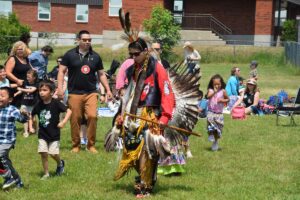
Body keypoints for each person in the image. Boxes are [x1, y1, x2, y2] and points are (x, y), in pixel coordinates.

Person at [112, 37, 175, 197]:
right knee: (131, 147)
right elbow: (129, 94)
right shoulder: (134, 69)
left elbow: (167, 92)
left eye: (136, 54)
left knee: (147, 151)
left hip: (150, 114)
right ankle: (143, 176)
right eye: (131, 54)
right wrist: (121, 113)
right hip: (133, 114)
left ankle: (146, 184)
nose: (133, 57)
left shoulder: (157, 68)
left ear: (146, 52)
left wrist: (165, 117)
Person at [57, 30, 113, 153]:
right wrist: (60, 88)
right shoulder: (69, 55)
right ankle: (76, 145)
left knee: (92, 116)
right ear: (78, 40)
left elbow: (101, 74)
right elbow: (61, 71)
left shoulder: (96, 56)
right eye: (84, 40)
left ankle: (90, 145)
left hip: (91, 92)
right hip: (74, 92)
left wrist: (108, 90)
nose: (87, 42)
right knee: (75, 119)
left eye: (89, 40)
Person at [30, 80, 72, 180]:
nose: (41, 92)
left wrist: (63, 122)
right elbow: (32, 115)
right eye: (40, 90)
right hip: (42, 134)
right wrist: (31, 127)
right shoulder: (38, 104)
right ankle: (46, 173)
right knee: (43, 153)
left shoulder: (56, 103)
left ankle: (60, 163)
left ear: (52, 92)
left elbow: (69, 111)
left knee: (53, 153)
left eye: (45, 90)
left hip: (54, 134)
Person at [0, 87, 28, 189]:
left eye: (2, 96)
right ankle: (18, 181)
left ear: (10, 99)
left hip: (7, 141)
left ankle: (9, 177)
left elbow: (23, 120)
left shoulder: (12, 110)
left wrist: (24, 114)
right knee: (5, 162)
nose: (0, 97)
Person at [5, 41, 32, 108]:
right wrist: (17, 80)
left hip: (25, 86)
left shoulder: (26, 59)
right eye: (18, 49)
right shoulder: (13, 58)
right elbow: (7, 72)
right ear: (15, 50)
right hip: (15, 86)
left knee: (25, 108)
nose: (20, 51)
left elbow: (31, 69)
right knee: (14, 107)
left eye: (22, 49)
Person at [206, 74, 229, 151]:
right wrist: (214, 92)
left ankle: (215, 142)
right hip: (211, 112)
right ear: (212, 84)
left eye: (218, 84)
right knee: (210, 123)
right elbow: (208, 96)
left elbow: (228, 99)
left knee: (218, 129)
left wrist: (223, 100)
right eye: (215, 84)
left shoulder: (223, 91)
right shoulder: (211, 90)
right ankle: (211, 135)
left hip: (219, 113)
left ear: (221, 83)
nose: (217, 86)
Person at [15, 69, 38, 137]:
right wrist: (16, 93)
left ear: (34, 77)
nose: (27, 78)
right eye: (27, 77)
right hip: (24, 102)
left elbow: (31, 90)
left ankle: (35, 130)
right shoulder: (25, 82)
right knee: (25, 115)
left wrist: (21, 89)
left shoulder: (37, 84)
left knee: (33, 119)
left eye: (29, 77)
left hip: (33, 103)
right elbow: (21, 91)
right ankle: (26, 132)